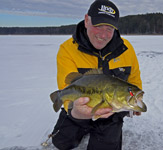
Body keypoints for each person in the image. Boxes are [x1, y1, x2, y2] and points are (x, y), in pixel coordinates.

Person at [51, 0, 143, 149]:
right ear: (87, 20)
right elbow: (66, 86)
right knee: (61, 142)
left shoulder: (127, 49)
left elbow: (134, 84)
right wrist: (75, 112)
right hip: (78, 110)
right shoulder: (67, 49)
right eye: (98, 26)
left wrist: (133, 101)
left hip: (111, 113)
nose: (103, 34)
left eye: (109, 28)